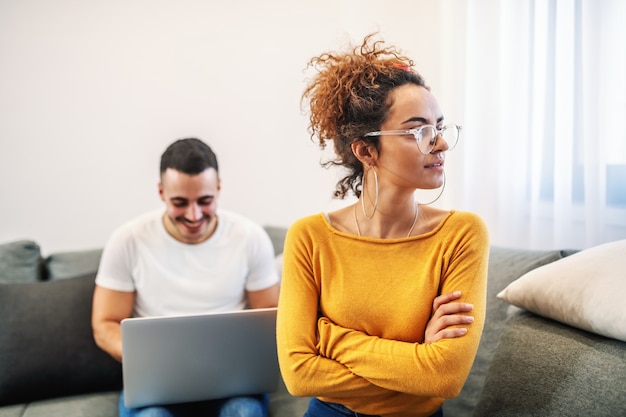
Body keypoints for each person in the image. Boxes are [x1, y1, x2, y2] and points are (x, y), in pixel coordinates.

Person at [276, 33, 489, 417]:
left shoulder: (462, 234)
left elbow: (445, 377)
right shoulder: (309, 237)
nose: (439, 143)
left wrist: (333, 339)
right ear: (366, 150)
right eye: (418, 130)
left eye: (439, 127)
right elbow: (298, 373)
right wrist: (415, 360)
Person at [92, 137, 280, 417]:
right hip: (155, 386)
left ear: (218, 188)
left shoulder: (250, 238)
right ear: (161, 192)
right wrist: (148, 361)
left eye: (205, 201)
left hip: (233, 384)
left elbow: (269, 316)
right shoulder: (128, 240)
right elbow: (104, 324)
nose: (194, 215)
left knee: (243, 413)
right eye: (180, 202)